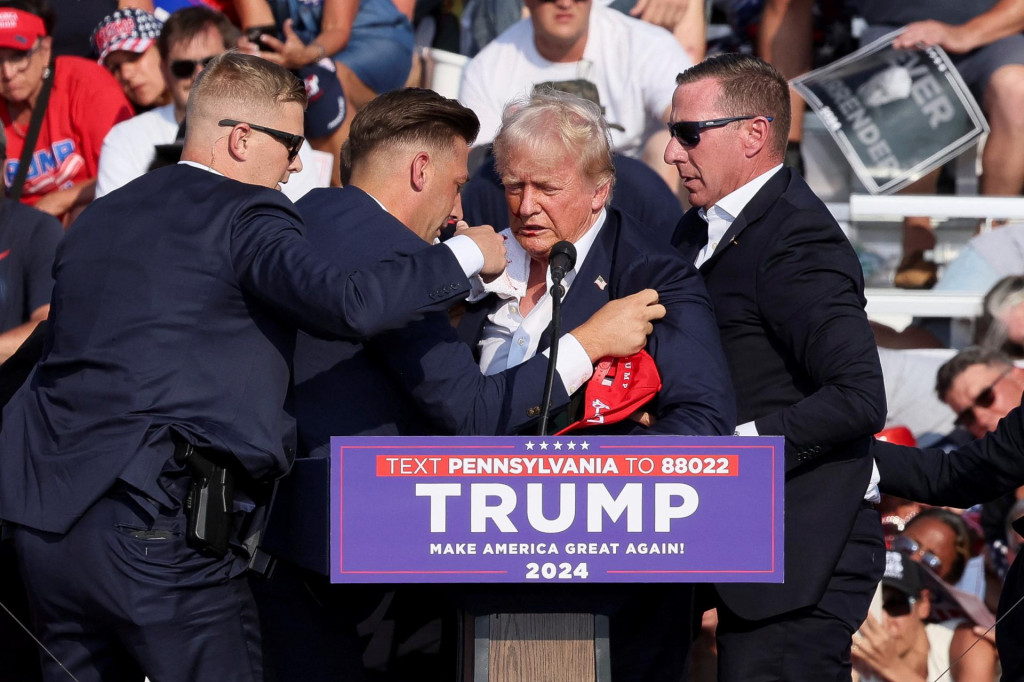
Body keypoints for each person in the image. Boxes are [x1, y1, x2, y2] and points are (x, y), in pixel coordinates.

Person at [0, 51, 508, 682]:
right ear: (241, 139)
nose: (298, 163)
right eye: (290, 142)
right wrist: (463, 257)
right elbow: (346, 304)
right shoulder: (248, 211)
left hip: (47, 527)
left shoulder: (105, 215)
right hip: (159, 530)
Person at [259, 86, 668, 682]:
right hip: (350, 563)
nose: (457, 213)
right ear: (421, 170)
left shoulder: (301, 218)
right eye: (456, 186)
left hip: (268, 538)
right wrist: (590, 342)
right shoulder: (403, 263)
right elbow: (476, 418)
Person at [456, 89, 735, 682]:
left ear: (599, 190)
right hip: (474, 578)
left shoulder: (651, 274)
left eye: (547, 189)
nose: (526, 206)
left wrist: (581, 466)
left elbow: (704, 427)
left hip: (609, 591)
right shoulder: (477, 266)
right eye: (513, 186)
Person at [667, 53, 887, 681]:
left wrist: (736, 452)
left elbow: (859, 397)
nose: (672, 154)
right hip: (725, 530)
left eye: (689, 134)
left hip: (801, 549)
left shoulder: (796, 237)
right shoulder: (694, 231)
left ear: (754, 133)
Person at [853, 0, 1024, 287]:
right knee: (903, 87)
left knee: (1018, 93)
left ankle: (992, 238)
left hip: (995, 33)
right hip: (897, 32)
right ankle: (916, 235)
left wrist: (966, 33)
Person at [95, 5, 324, 201]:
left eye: (210, 63)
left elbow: (306, 222)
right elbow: (116, 224)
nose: (199, 74)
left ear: (234, 61)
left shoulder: (283, 137)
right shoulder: (125, 139)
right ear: (164, 71)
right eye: (183, 68)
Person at [458, 0, 690, 190]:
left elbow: (688, 115)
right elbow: (473, 158)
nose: (564, 3)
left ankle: (663, 241)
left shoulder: (647, 44)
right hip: (536, 189)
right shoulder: (487, 66)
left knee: (672, 139)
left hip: (629, 189)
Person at [872, 402, 1024, 679]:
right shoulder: (861, 632)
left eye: (895, 604)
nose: (914, 562)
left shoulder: (964, 638)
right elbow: (961, 473)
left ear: (927, 602)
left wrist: (890, 668)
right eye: (907, 547)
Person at [235, 0, 414, 185]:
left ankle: (355, 191)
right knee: (268, 87)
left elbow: (337, 30)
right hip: (298, 51)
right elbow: (260, 31)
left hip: (372, 38)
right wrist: (253, 48)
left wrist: (306, 55)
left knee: (317, 84)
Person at [0, 0, 132, 223]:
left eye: (18, 56)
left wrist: (56, 202)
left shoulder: (87, 84)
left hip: (91, 226)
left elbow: (128, 172)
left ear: (45, 50)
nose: (8, 72)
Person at [90, 7, 170, 113]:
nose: (126, 74)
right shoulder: (119, 126)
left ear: (163, 50)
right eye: (114, 68)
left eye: (134, 56)